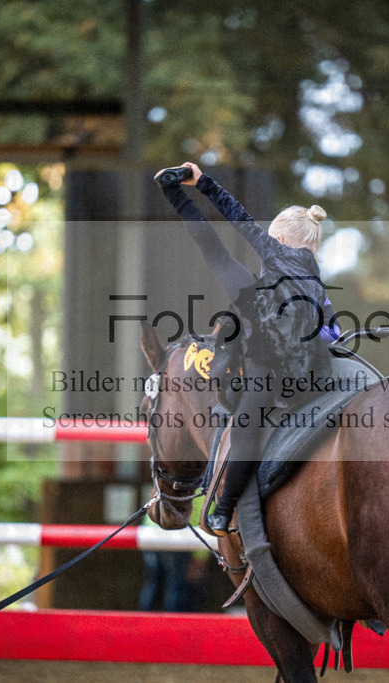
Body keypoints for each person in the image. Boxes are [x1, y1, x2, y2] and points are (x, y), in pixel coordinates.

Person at [154, 162, 335, 536]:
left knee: (246, 433)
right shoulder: (317, 278)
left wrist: (202, 182)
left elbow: (234, 215)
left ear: (281, 239)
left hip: (267, 366)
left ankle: (222, 509)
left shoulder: (274, 248)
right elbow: (331, 332)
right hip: (308, 377)